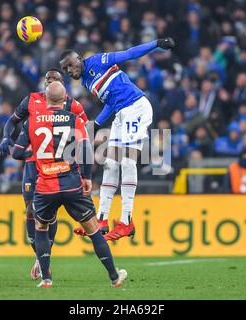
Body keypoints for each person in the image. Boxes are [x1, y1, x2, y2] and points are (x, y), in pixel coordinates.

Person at [12, 81, 127, 288]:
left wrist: (36, 155)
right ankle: (114, 277)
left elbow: (17, 153)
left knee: (41, 228)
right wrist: (87, 177)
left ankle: (46, 278)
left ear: (45, 99)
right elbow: (85, 149)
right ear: (65, 99)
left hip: (45, 186)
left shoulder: (32, 122)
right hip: (72, 184)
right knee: (93, 230)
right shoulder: (74, 120)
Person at [60, 37, 175, 241]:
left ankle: (126, 221)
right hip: (121, 113)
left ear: (79, 59)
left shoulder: (98, 61)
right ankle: (101, 220)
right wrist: (97, 123)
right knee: (110, 164)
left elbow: (130, 53)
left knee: (127, 160)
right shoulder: (87, 80)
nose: (69, 70)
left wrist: (156, 43)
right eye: (65, 69)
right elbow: (112, 102)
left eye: (70, 64)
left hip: (136, 107)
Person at [0, 69, 88, 280]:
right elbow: (12, 121)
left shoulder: (73, 105)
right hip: (32, 164)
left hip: (60, 167)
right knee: (30, 210)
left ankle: (43, 257)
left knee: (49, 211)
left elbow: (86, 130)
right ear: (45, 83)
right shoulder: (31, 100)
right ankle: (40, 257)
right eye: (48, 79)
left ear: (62, 85)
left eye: (56, 79)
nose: (51, 82)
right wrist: (5, 138)